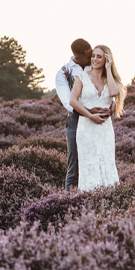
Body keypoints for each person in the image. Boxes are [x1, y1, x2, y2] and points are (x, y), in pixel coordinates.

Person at [69, 43, 126, 191]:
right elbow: (72, 101)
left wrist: (108, 68)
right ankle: (89, 203)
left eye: (99, 56)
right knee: (89, 165)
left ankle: (110, 201)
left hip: (105, 130)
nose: (94, 59)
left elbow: (114, 93)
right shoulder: (81, 77)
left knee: (107, 163)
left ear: (106, 59)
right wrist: (90, 115)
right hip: (86, 128)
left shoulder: (110, 80)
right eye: (93, 56)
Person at [54, 39, 91, 192]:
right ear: (77, 56)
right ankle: (69, 200)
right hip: (76, 119)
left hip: (96, 118)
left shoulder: (95, 66)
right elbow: (67, 101)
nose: (91, 59)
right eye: (87, 56)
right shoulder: (63, 73)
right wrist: (88, 112)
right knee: (74, 163)